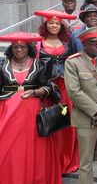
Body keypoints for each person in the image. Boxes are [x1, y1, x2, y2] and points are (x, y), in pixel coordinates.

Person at [0, 32, 61, 184]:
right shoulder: (2, 64)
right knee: (8, 149)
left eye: (22, 46)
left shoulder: (38, 64)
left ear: (29, 48)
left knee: (35, 150)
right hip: (7, 115)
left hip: (33, 117)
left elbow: (48, 88)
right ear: (10, 49)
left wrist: (34, 92)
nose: (18, 49)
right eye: (15, 47)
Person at [64, 26, 97, 184]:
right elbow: (74, 92)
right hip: (86, 118)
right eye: (94, 43)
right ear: (84, 44)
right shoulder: (73, 62)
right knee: (86, 161)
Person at [34, 10, 79, 174]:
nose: (54, 25)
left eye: (57, 23)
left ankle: (67, 161)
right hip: (47, 89)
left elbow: (75, 61)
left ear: (62, 26)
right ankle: (51, 162)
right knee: (50, 121)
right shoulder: (38, 43)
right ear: (45, 24)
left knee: (66, 123)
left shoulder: (68, 42)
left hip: (66, 86)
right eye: (51, 23)